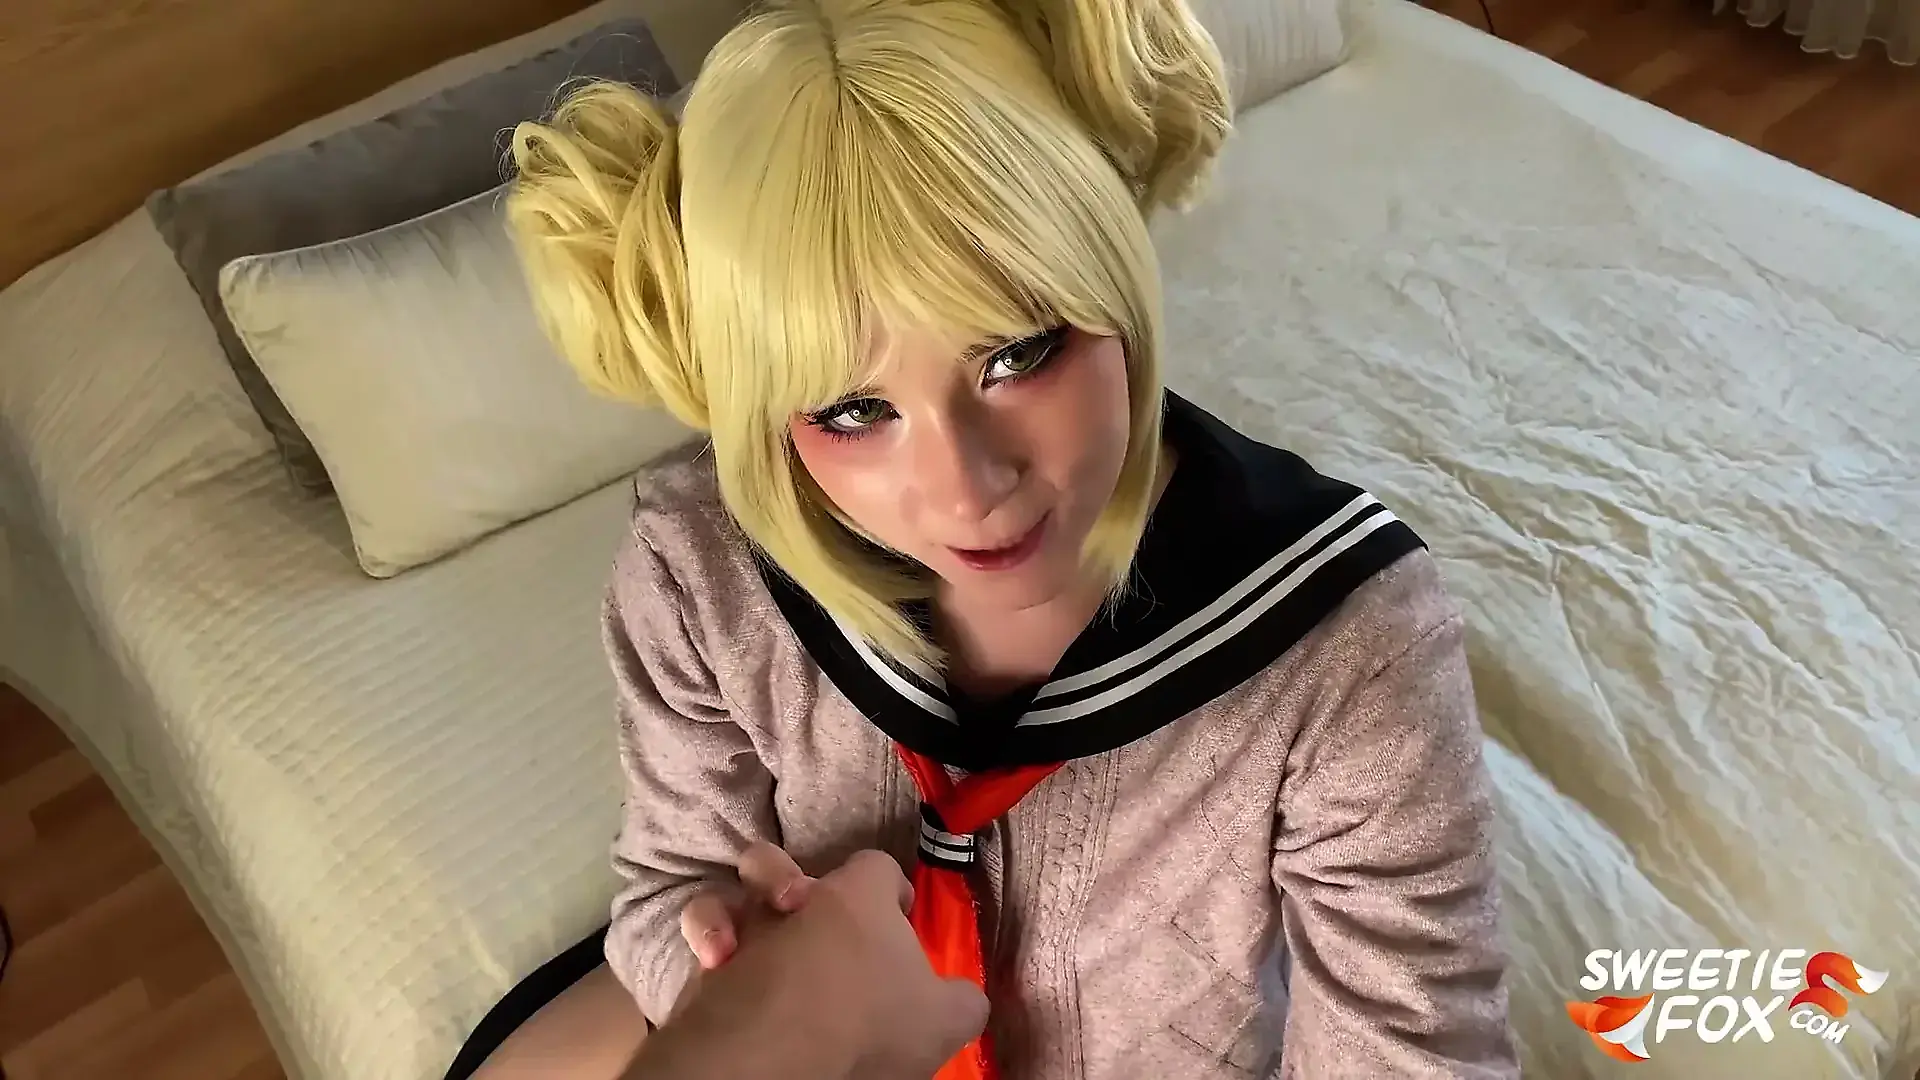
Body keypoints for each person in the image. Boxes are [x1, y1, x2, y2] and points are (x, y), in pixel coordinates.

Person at [453, 0, 1520, 1076]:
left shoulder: (1347, 646)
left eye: (1018, 352)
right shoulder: (700, 573)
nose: (967, 489)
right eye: (853, 410)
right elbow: (669, 884)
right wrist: (750, 1005)